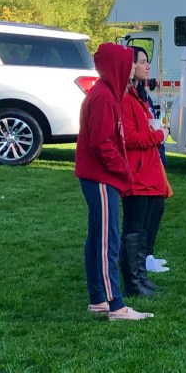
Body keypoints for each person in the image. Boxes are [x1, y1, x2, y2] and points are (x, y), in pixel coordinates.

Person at [73, 43, 153, 321]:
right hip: (100, 178)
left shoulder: (107, 93)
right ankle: (116, 305)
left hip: (98, 177)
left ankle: (98, 299)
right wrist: (124, 171)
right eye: (128, 63)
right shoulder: (104, 97)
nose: (132, 68)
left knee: (98, 237)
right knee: (108, 241)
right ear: (116, 66)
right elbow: (101, 144)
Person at [120, 49, 170, 298]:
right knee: (134, 228)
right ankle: (133, 282)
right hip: (137, 172)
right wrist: (158, 135)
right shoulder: (125, 98)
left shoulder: (137, 95)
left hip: (147, 170)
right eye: (141, 62)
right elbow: (129, 138)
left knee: (142, 227)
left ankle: (140, 276)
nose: (146, 66)